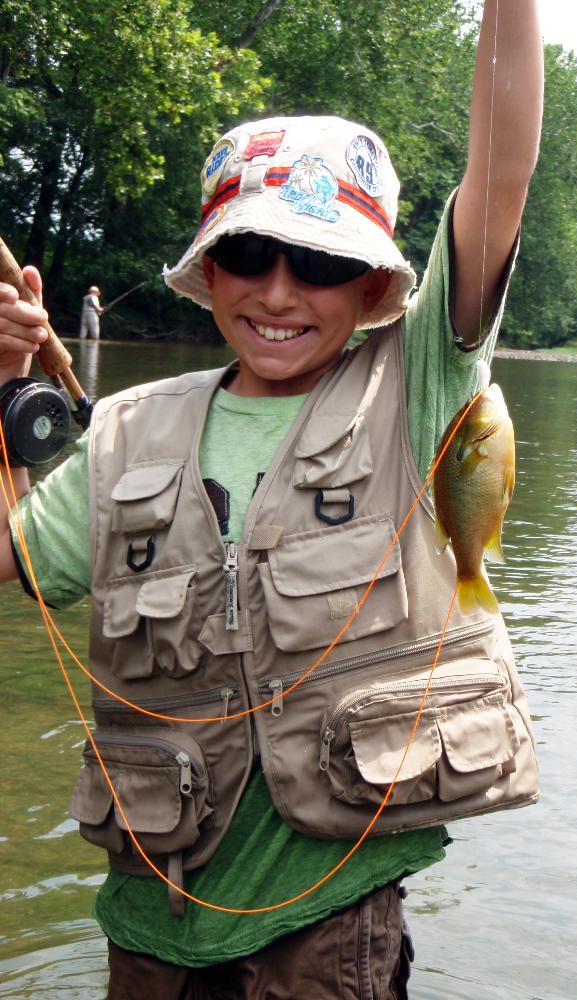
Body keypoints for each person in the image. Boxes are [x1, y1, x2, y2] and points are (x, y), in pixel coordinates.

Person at [0, 2, 543, 996]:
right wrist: (2, 389)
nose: (282, 291)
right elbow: (13, 556)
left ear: (377, 290)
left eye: (324, 262)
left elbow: (500, 180)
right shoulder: (127, 431)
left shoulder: (414, 390)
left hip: (328, 925)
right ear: (209, 272)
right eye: (250, 255)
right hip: (148, 930)